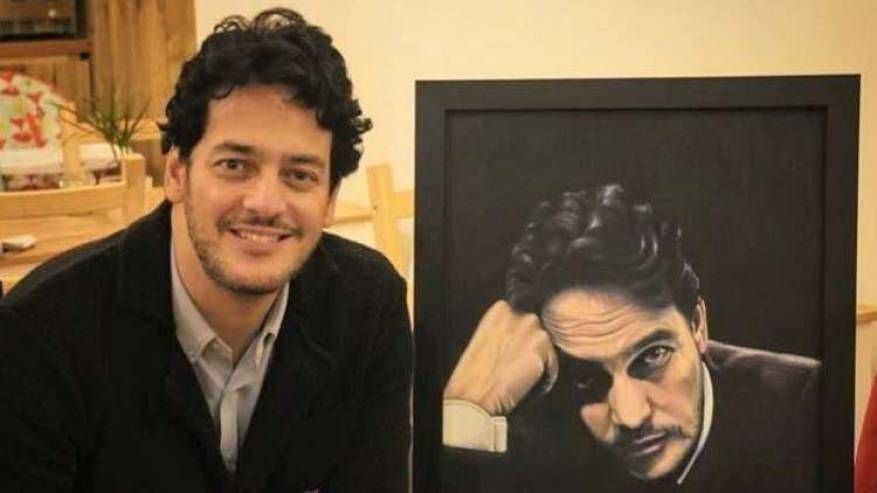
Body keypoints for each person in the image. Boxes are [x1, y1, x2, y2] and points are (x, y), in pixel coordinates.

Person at [0, 8, 412, 493]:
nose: (265, 203)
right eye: (235, 164)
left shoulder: (367, 308)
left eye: (299, 175)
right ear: (177, 173)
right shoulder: (41, 334)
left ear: (330, 199)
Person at [442, 184, 819, 492]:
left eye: (653, 356)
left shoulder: (802, 406)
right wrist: (465, 417)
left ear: (697, 325)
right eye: (587, 378)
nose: (631, 415)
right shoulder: (536, 429)